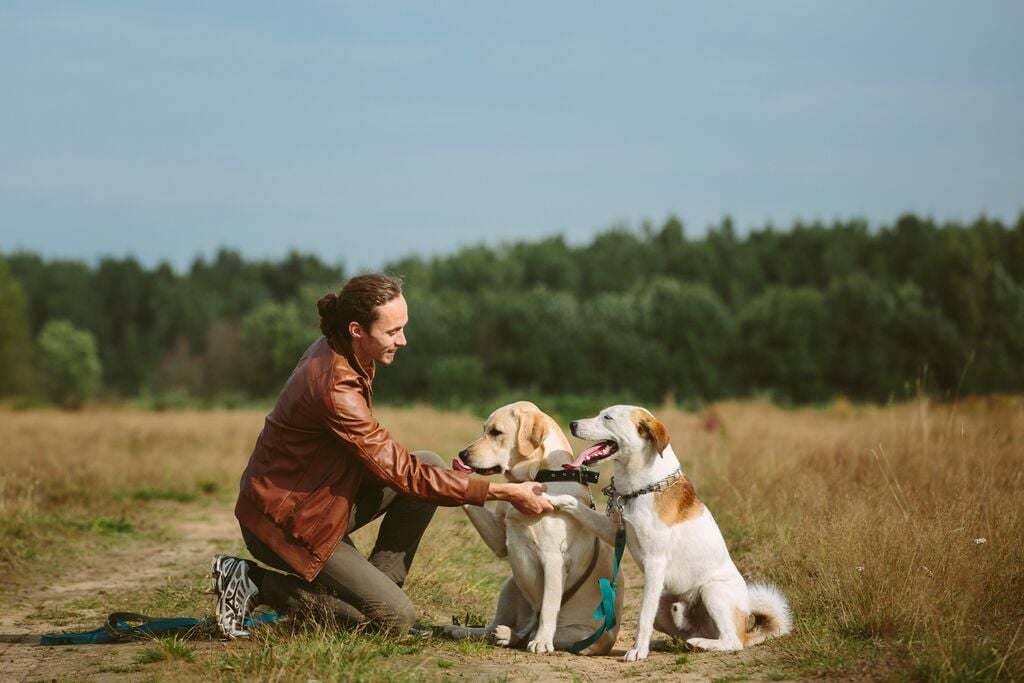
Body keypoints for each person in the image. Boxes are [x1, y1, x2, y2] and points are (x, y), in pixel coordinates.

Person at [211, 273, 552, 639]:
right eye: (393, 332)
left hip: (319, 501)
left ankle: (376, 592)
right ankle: (254, 581)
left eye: (403, 328)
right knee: (395, 622)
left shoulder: (342, 347)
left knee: (430, 463)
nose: (402, 340)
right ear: (358, 329)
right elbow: (401, 471)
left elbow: (402, 468)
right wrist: (502, 492)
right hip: (284, 523)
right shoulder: (334, 385)